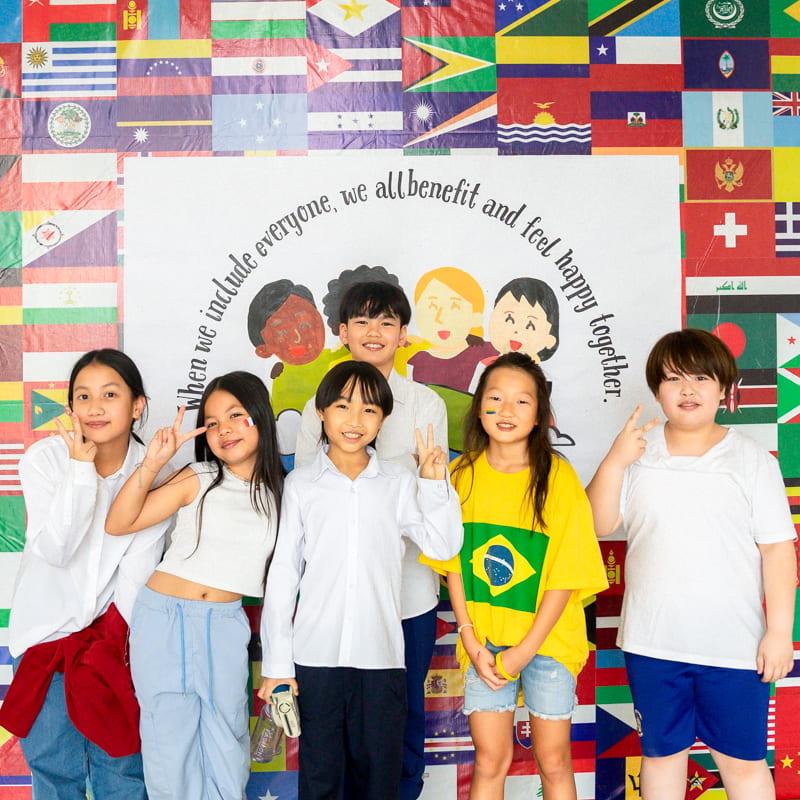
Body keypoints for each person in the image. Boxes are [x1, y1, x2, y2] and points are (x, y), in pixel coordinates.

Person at [586, 329, 797, 800]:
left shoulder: (751, 460)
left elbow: (778, 550)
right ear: (656, 388)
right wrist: (616, 461)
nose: (687, 389)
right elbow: (598, 526)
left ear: (724, 388)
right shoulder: (637, 453)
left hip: (735, 648)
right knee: (662, 758)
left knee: (742, 764)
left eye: (702, 378)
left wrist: (779, 632)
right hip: (653, 643)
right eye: (674, 378)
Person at [259, 360, 463, 800]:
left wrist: (433, 482)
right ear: (320, 413)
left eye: (369, 410)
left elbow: (444, 548)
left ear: (384, 420)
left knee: (380, 780)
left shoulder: (399, 482)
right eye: (342, 406)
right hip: (316, 658)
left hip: (382, 657)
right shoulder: (301, 485)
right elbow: (282, 576)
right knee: (321, 779)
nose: (355, 421)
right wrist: (277, 666)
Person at [423, 352, 608, 800]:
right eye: (495, 398)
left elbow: (567, 575)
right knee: (489, 761)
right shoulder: (460, 474)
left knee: (555, 760)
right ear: (478, 406)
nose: (506, 411)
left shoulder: (558, 478)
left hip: (547, 643)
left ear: (541, 413)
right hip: (483, 644)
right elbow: (452, 565)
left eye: (521, 401)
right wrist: (469, 638)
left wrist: (524, 652)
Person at [294, 279, 448, 800]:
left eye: (386, 322)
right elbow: (316, 495)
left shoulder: (425, 405)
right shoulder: (320, 404)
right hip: (335, 609)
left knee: (399, 728)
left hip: (407, 598)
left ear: (404, 334)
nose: (373, 332)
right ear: (342, 333)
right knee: (331, 743)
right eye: (361, 321)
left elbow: (431, 497)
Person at [0, 349, 171, 799]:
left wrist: (108, 645)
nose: (95, 407)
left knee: (123, 772)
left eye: (110, 394)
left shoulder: (155, 471)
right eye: (84, 396)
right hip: (46, 641)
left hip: (114, 645)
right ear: (71, 406)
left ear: (137, 405)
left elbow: (139, 570)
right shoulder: (45, 460)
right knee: (56, 776)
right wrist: (80, 469)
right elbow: (56, 549)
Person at [105, 371, 284, 800]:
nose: (224, 431)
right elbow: (119, 522)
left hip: (223, 622)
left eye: (236, 416)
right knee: (170, 741)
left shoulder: (285, 492)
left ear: (261, 416)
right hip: (162, 617)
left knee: (227, 738)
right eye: (214, 422)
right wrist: (152, 461)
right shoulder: (200, 475)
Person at [407, 266, 496, 392]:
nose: (442, 317)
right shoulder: (415, 362)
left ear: (476, 317)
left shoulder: (489, 355)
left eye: (455, 306)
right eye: (432, 306)